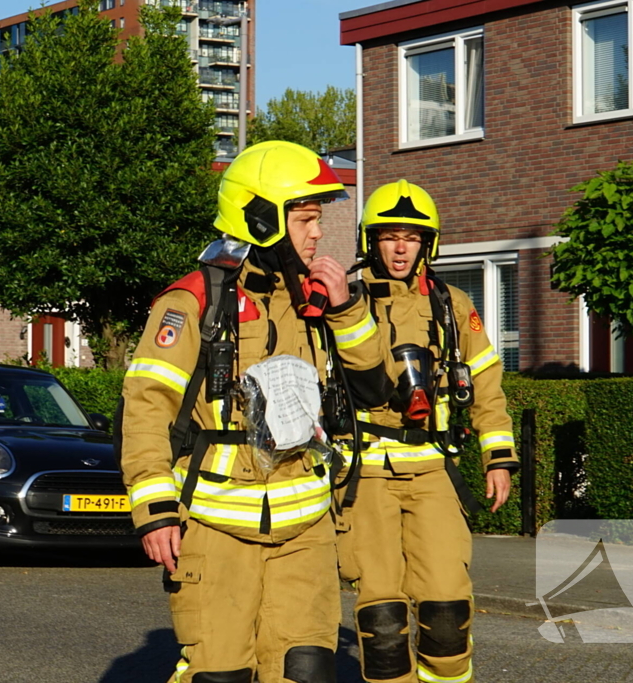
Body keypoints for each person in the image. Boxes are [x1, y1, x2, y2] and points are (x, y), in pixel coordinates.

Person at [118, 141, 395, 683]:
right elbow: (147, 406)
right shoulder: (193, 301)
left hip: (306, 532)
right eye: (306, 219)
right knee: (219, 674)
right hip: (216, 530)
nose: (318, 233)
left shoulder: (319, 300)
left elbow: (373, 388)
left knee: (306, 671)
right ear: (262, 219)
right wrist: (155, 511)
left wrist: (346, 310)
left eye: (318, 219)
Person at [343, 180, 519, 683]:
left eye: (412, 238)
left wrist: (498, 458)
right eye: (389, 237)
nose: (401, 249)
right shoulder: (344, 303)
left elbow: (486, 384)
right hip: (366, 475)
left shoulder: (452, 304)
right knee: (382, 618)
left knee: (447, 611)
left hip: (433, 470)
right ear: (371, 241)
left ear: (428, 244)